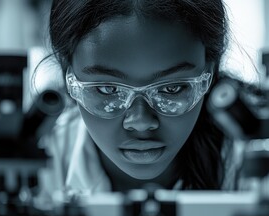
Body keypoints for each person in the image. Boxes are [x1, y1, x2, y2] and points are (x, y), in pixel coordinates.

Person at [42, 0, 238, 196]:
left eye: (171, 88)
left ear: (210, 73)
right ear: (68, 77)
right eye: (108, 89)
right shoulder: (41, 161)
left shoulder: (252, 159)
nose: (141, 123)